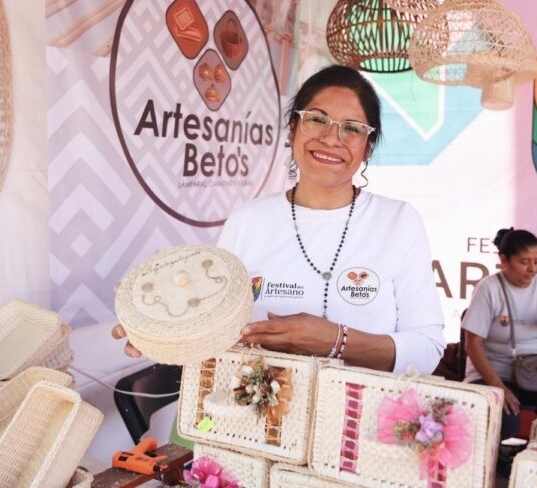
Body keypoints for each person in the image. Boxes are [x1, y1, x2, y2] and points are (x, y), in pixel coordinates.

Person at [114, 64, 445, 375]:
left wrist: (335, 341)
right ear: (292, 130)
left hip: (358, 420)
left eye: (353, 129)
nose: (332, 139)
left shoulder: (398, 221)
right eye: (317, 120)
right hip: (254, 420)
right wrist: (159, 330)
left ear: (368, 147)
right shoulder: (248, 221)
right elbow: (213, 326)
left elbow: (427, 350)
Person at [461, 228, 537, 441]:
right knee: (505, 423)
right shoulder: (489, 288)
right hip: (494, 372)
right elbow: (472, 345)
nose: (532, 269)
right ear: (504, 260)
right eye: (524, 262)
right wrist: (499, 388)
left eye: (536, 261)